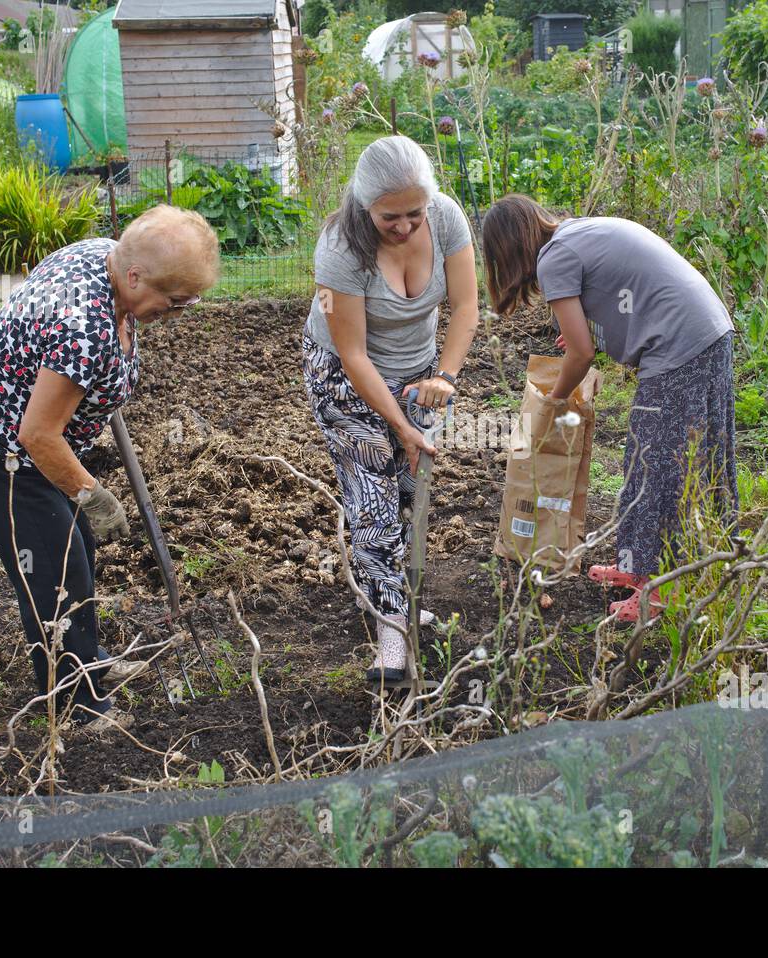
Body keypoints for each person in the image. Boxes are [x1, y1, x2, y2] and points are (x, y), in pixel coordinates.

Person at [0, 206, 220, 732]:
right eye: (174, 300)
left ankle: (88, 658)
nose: (180, 310)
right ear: (135, 275)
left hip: (30, 428)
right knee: (52, 566)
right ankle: (74, 705)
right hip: (0, 444)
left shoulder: (104, 255)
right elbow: (37, 435)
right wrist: (92, 495)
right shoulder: (84, 329)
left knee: (78, 550)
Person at [481, 194, 738, 622]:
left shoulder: (553, 258)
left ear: (507, 250)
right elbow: (605, 311)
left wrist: (553, 401)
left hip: (682, 345)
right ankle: (642, 569)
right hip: (704, 331)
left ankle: (658, 593)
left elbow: (580, 356)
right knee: (658, 458)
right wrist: (587, 333)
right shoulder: (574, 234)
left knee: (658, 467)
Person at [303, 136, 479, 685]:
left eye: (413, 214)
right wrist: (399, 426)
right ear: (364, 204)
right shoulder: (339, 248)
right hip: (343, 378)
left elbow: (467, 305)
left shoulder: (447, 220)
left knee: (408, 486)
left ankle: (396, 597)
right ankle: (390, 632)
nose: (404, 227)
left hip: (421, 374)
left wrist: (444, 378)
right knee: (373, 497)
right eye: (389, 217)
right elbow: (353, 353)